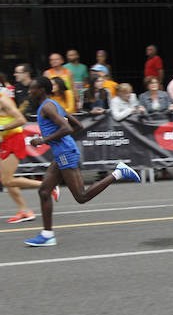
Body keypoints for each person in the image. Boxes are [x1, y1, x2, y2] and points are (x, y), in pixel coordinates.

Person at [23, 77, 140, 247]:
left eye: (31, 88)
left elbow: (68, 128)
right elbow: (78, 125)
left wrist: (43, 140)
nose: (28, 91)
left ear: (41, 90)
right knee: (43, 191)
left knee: (81, 196)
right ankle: (47, 235)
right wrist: (56, 141)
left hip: (65, 153)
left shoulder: (47, 107)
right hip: (62, 152)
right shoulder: (53, 104)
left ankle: (119, 172)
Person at [0, 91, 54, 223]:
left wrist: (1, 127)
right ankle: (24, 211)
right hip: (5, 140)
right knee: (5, 179)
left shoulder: (3, 100)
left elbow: (21, 120)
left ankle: (47, 185)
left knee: (7, 181)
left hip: (14, 140)